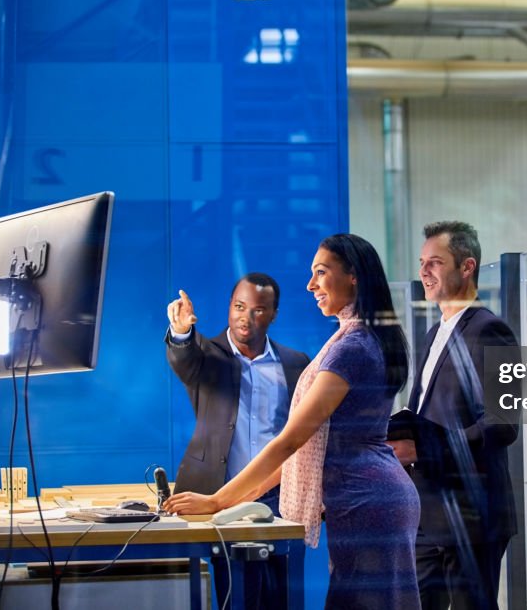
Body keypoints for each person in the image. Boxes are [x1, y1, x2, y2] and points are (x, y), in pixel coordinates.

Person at [165, 234, 421, 609]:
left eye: (321, 272)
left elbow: (290, 442)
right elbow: (295, 456)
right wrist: (225, 501)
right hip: (364, 500)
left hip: (367, 504)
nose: (310, 284)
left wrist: (219, 500)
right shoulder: (354, 339)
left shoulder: (351, 347)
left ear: (353, 276)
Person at [388, 221, 519, 610]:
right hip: (429, 515)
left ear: (467, 267)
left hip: (473, 516)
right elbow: (424, 413)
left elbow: (503, 424)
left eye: (435, 263)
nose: (424, 272)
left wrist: (424, 450)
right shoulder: (434, 333)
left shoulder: (491, 331)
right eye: (422, 262)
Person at [165, 273, 310, 609]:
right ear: (229, 307)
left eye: (258, 310)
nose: (246, 317)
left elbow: (304, 434)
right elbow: (182, 358)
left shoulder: (295, 363)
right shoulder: (206, 355)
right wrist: (182, 331)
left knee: (282, 597)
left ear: (273, 314)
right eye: (239, 307)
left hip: (279, 497)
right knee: (237, 594)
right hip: (221, 494)